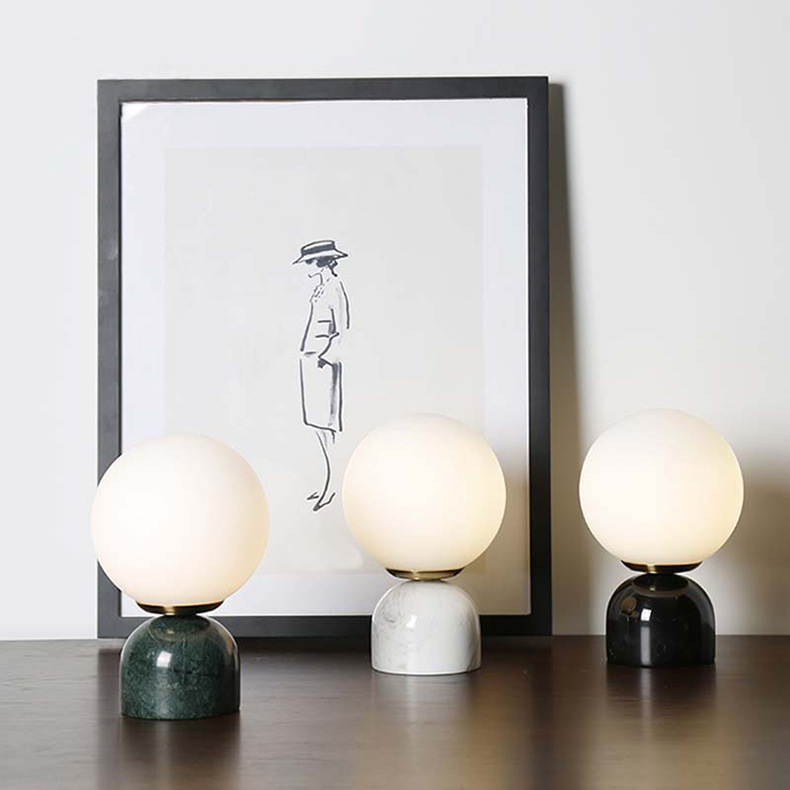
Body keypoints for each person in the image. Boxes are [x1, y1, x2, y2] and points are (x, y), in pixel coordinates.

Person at [293, 240, 351, 511]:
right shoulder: (321, 287)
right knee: (316, 426)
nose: (305, 267)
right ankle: (326, 481)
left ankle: (333, 485)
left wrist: (324, 357)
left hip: (323, 364)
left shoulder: (334, 287)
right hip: (311, 362)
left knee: (327, 427)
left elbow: (343, 330)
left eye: (308, 262)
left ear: (320, 262)